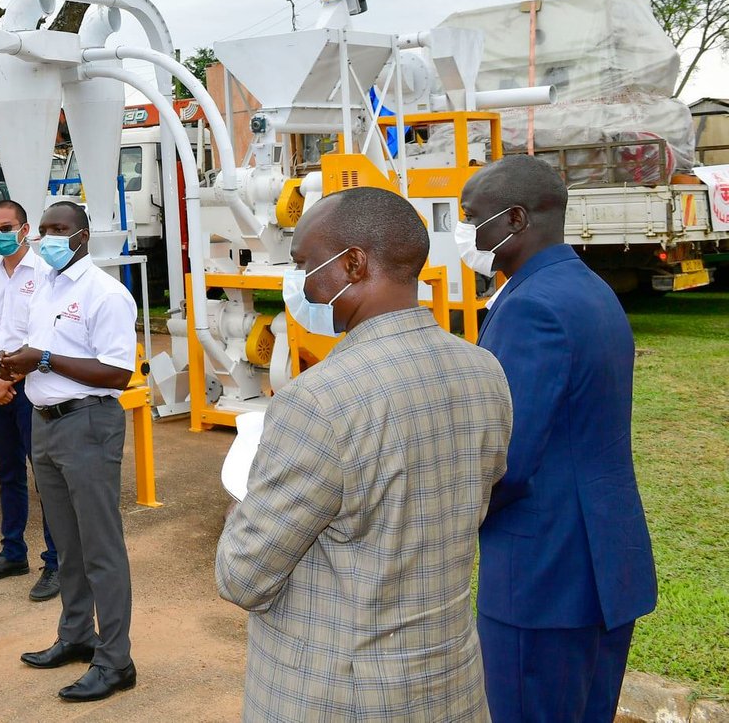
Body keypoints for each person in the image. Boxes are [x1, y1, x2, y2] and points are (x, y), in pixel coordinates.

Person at [215, 187, 512, 722]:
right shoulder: (484, 371)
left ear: (353, 263)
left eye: (305, 264)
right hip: (450, 683)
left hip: (339, 694)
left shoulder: (317, 401)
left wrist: (244, 505)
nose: (300, 282)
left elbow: (244, 576)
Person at [460, 155, 656, 723]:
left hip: (542, 576)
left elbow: (508, 459)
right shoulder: (588, 289)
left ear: (515, 219)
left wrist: (448, 511)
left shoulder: (531, 308)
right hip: (601, 565)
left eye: (472, 218)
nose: (466, 233)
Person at [0, 201, 138, 703]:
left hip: (88, 424)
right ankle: (78, 635)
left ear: (83, 235)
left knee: (101, 546)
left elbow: (118, 374)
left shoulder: (107, 294)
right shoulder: (46, 288)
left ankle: (116, 660)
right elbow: (41, 354)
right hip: (46, 424)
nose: (51, 237)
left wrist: (45, 359)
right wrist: (17, 364)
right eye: (46, 229)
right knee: (67, 543)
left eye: (61, 229)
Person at [0, 199, 60, 600]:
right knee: (7, 473)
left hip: (32, 388)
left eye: (6, 227)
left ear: (25, 230)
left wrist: (11, 378)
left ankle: (56, 562)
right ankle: (13, 552)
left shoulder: (45, 275)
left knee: (47, 478)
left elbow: (47, 333)